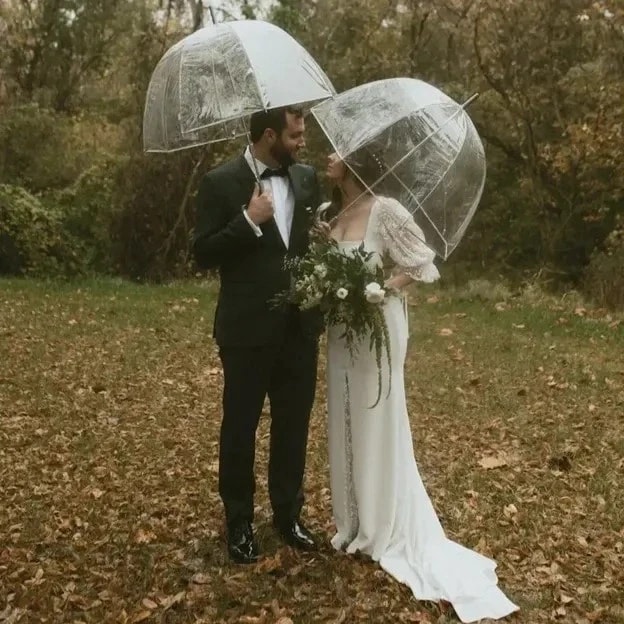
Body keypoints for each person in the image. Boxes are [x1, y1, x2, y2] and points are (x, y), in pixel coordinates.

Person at [318, 151, 519, 623]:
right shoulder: (331, 213)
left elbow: (421, 262)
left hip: (377, 326)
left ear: (354, 162)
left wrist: (379, 287)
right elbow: (330, 271)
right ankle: (353, 523)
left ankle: (381, 524)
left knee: (375, 415)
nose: (328, 156)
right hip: (342, 332)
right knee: (343, 415)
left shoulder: (386, 209)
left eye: (337, 151)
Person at [193, 106, 323, 564]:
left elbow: (305, 245)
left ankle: (287, 516)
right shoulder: (219, 182)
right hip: (246, 330)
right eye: (294, 134)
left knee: (293, 426)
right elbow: (202, 252)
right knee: (240, 426)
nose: (302, 141)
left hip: (299, 327)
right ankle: (240, 521)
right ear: (269, 135)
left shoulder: (307, 179)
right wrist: (248, 220)